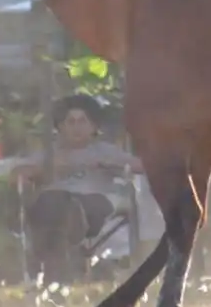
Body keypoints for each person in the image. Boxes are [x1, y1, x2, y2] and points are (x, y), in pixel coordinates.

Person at [24, 95, 141, 282]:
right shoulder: (50, 154)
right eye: (70, 122)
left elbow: (142, 167)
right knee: (53, 202)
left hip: (95, 201)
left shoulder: (104, 151)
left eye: (82, 121)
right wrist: (47, 168)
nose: (76, 127)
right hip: (53, 204)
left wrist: (108, 164)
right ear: (60, 127)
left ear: (94, 127)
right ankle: (69, 240)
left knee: (71, 208)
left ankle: (63, 256)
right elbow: (17, 175)